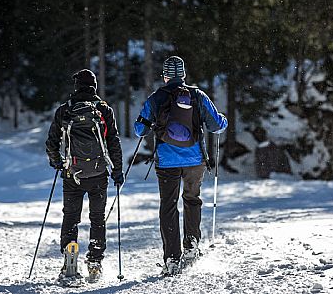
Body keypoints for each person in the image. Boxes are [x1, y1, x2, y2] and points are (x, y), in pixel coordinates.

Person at [134, 56, 228, 275]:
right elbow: (216, 126)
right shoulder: (197, 95)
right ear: (183, 75)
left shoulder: (157, 97)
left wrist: (150, 123)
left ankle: (172, 259)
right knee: (192, 200)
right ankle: (192, 245)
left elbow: (140, 130)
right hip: (195, 161)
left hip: (167, 162)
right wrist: (223, 119)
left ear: (165, 76)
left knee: (168, 206)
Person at [45, 69, 124, 280]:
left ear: (76, 86)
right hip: (98, 174)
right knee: (97, 217)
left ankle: (70, 252)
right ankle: (95, 260)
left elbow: (52, 142)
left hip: (73, 173)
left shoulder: (64, 111)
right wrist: (117, 170)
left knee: (71, 216)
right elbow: (113, 142)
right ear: (94, 87)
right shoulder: (104, 109)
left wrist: (58, 163)